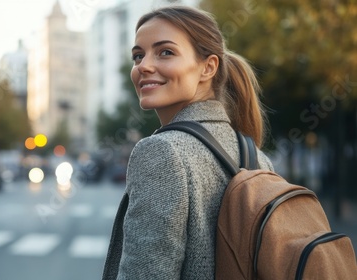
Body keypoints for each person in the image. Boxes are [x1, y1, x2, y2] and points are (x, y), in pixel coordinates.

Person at [102, 6, 274, 280]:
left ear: (208, 67)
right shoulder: (255, 156)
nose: (143, 65)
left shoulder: (160, 152)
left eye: (165, 52)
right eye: (138, 55)